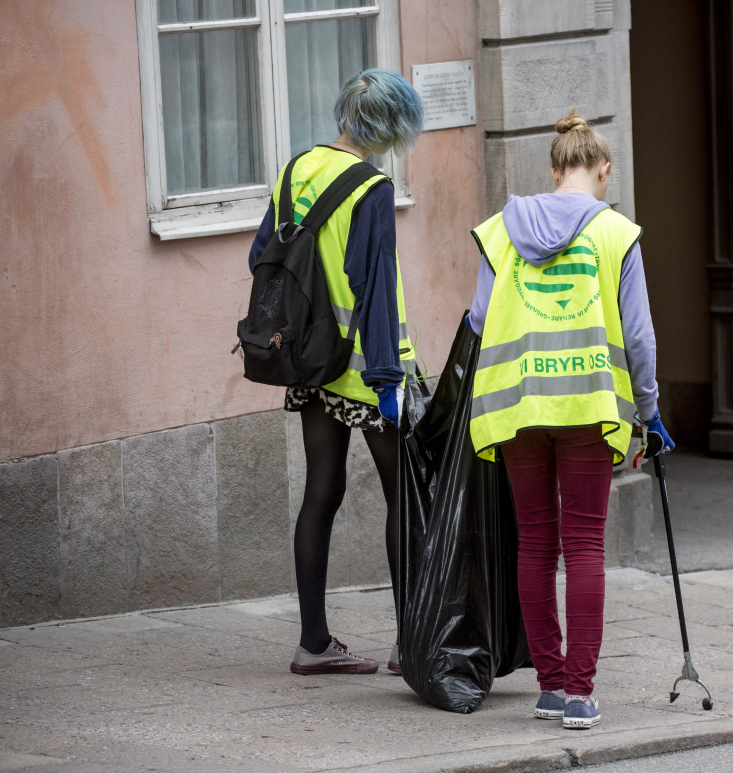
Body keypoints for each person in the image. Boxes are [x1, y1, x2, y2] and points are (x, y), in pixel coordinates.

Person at [466, 109, 674, 729]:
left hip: (519, 407)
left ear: (554, 169)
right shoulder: (616, 233)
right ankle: (581, 694)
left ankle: (550, 687)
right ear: (603, 170)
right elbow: (639, 336)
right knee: (583, 546)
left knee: (536, 542)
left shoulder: (503, 229)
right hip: (587, 406)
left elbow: (478, 319)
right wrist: (650, 411)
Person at [247, 69, 423, 676]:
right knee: (405, 497)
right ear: (388, 125)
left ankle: (313, 643)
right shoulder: (371, 188)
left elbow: (260, 255)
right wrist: (387, 380)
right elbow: (374, 288)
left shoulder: (296, 169)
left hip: (308, 359)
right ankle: (411, 644)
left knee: (322, 491)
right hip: (362, 368)